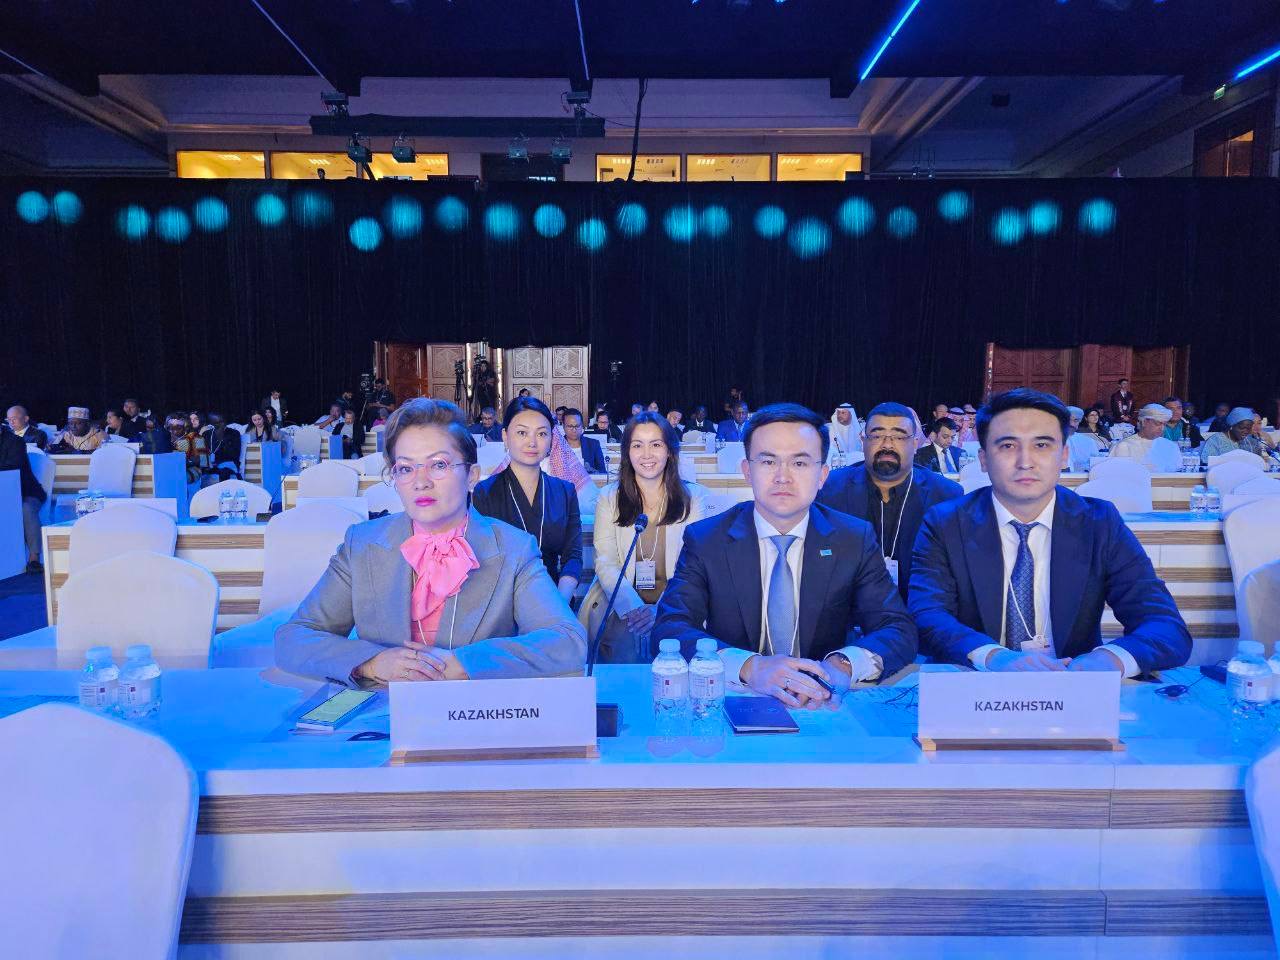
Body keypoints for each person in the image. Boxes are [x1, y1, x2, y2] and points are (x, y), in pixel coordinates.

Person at [275, 398, 586, 685]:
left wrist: (467, 664)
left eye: (438, 465)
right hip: (382, 712)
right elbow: (295, 637)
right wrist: (371, 663)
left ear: (472, 475)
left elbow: (568, 640)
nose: (420, 482)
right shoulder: (362, 543)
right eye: (405, 468)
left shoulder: (514, 548)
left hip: (473, 713)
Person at [909, 388, 1192, 674]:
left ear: (1064, 455)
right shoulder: (946, 523)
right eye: (1007, 446)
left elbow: (1164, 625)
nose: (1025, 461)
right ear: (983, 459)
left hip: (1073, 684)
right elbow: (927, 616)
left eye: (1042, 445)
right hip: (976, 684)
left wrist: (1109, 660)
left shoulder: (1098, 522)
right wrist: (993, 657)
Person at [654, 403, 917, 708]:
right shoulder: (707, 539)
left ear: (822, 475)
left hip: (822, 702)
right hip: (736, 700)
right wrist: (750, 667)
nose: (783, 477)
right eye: (768, 462)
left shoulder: (853, 539)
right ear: (747, 471)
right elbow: (671, 626)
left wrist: (841, 666)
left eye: (800, 463)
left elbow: (898, 628)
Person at [586, 413, 718, 663]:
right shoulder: (609, 498)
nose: (646, 454)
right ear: (627, 453)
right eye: (637, 445)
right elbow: (606, 562)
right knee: (623, 661)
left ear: (669, 451)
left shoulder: (695, 498)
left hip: (679, 602)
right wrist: (634, 609)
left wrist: (662, 609)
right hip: (622, 603)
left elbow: (694, 566)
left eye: (656, 444)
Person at [818, 402, 962, 602]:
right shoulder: (830, 489)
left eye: (899, 437)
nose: (887, 444)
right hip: (846, 610)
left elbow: (948, 576)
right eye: (877, 436)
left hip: (917, 609)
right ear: (863, 441)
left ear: (915, 444)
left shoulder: (945, 495)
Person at [471, 397, 583, 606]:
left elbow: (573, 557)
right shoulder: (484, 492)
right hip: (501, 604)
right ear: (505, 436)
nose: (532, 442)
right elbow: (480, 561)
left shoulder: (564, 491)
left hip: (555, 598)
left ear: (552, 439)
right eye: (522, 433)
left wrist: (558, 604)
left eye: (541, 434)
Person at [0, 425, 47, 573]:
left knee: (26, 509)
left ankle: (34, 558)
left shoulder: (15, 441)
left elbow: (13, 467)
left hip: (25, 491)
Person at [1110, 403, 1172, 468]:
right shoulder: (1124, 446)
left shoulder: (1170, 446)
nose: (1162, 428)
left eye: (1164, 424)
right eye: (1158, 423)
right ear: (1144, 422)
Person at [562, 408, 606, 473]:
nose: (574, 430)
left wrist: (592, 470)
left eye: (577, 426)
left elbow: (603, 472)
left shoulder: (593, 444)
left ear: (582, 426)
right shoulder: (557, 445)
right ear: (563, 426)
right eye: (570, 426)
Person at [204, 413, 242, 483]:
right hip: (209, 464)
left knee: (224, 472)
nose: (222, 424)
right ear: (212, 423)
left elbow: (235, 454)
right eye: (217, 423)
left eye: (222, 421)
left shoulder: (234, 433)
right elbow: (203, 452)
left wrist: (221, 439)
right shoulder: (207, 434)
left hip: (228, 462)